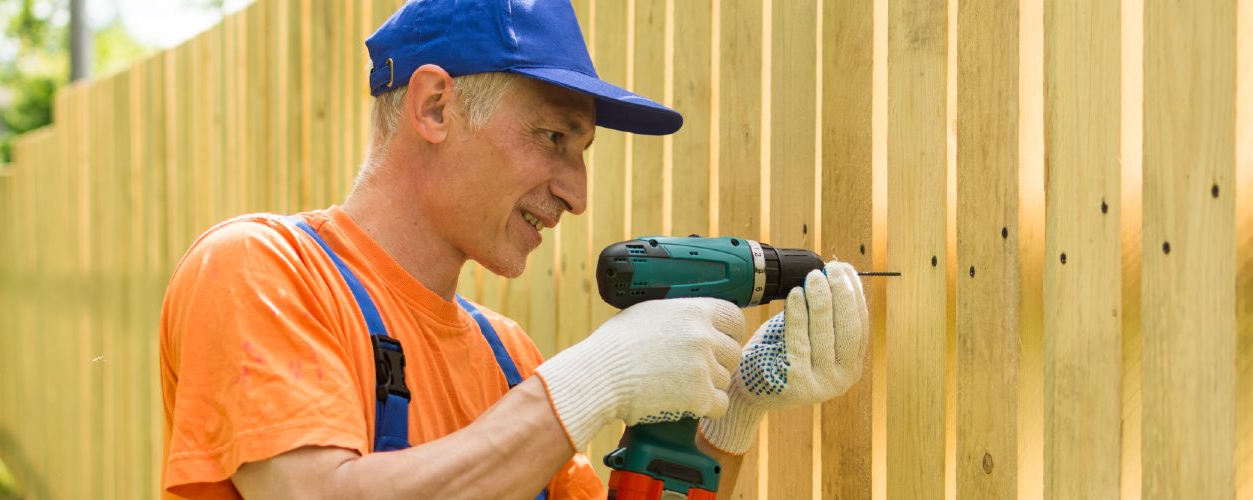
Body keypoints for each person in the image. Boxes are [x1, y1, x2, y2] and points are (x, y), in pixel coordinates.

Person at [157, 1, 871, 498]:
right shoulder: (264, 271)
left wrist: (732, 412)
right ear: (434, 106)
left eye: (583, 151)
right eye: (552, 138)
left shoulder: (507, 358)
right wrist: (590, 384)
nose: (577, 193)